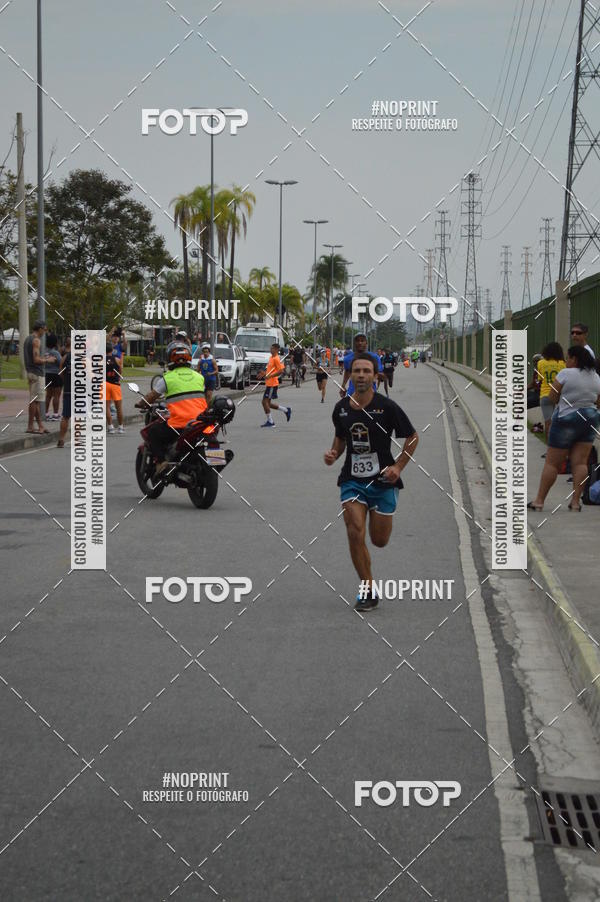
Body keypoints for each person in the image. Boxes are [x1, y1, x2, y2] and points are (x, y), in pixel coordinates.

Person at [325, 354, 418, 611]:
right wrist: (333, 453)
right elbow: (341, 439)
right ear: (351, 375)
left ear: (376, 376)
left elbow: (412, 437)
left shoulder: (387, 407)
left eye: (367, 371)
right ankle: (367, 589)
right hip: (353, 481)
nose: (362, 375)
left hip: (383, 482)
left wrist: (398, 466)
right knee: (355, 530)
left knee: (379, 540)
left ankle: (368, 583)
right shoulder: (341, 408)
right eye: (357, 371)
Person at [528, 345, 600, 512]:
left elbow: (551, 397)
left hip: (567, 418)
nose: (566, 361)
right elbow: (598, 402)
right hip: (589, 418)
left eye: (568, 358)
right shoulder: (596, 377)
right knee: (581, 463)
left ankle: (539, 501)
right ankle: (575, 502)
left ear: (574, 359)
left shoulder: (566, 374)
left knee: (552, 463)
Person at [135, 340, 207, 474]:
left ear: (170, 359)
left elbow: (152, 396)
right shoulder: (199, 377)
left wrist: (141, 403)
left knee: (152, 432)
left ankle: (162, 462)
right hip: (200, 421)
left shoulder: (168, 378)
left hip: (179, 424)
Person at [23, 320, 54, 434]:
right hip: (37, 373)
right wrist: (48, 360)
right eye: (44, 329)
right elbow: (36, 360)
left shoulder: (27, 339)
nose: (45, 332)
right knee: (35, 401)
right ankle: (31, 426)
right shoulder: (36, 340)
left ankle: (39, 425)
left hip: (31, 372)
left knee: (34, 400)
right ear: (40, 328)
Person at [536, 343, 565, 442]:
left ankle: (549, 448)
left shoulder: (541, 363)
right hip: (559, 396)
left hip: (545, 395)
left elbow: (540, 380)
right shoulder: (562, 364)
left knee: (548, 422)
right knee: (560, 422)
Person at [340, 333, 383, 398]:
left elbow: (379, 373)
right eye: (357, 341)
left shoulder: (375, 358)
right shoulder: (347, 359)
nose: (360, 343)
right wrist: (343, 386)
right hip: (352, 394)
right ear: (354, 343)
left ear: (366, 343)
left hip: (370, 395)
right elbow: (347, 372)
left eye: (362, 341)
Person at [259, 343, 291, 427]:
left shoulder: (277, 359)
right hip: (269, 383)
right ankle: (286, 410)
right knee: (267, 403)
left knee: (264, 402)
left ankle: (271, 421)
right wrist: (264, 374)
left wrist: (270, 376)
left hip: (273, 384)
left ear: (277, 350)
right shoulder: (271, 358)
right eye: (270, 348)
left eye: (272, 348)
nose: (271, 350)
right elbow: (270, 370)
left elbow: (281, 371)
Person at [104, 341, 124, 434]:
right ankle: (120, 427)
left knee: (107, 407)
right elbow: (120, 371)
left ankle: (110, 427)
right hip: (115, 384)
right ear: (112, 350)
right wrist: (117, 378)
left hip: (105, 384)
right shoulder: (117, 359)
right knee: (118, 407)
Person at [56, 337, 72, 448]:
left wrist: (66, 380)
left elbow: (60, 372)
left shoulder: (66, 357)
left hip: (68, 390)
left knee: (65, 416)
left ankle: (61, 439)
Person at [44, 333, 63, 420]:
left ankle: (46, 413)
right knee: (56, 395)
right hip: (56, 375)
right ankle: (55, 414)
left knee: (48, 395)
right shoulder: (55, 353)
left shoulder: (44, 352)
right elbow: (61, 363)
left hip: (47, 375)